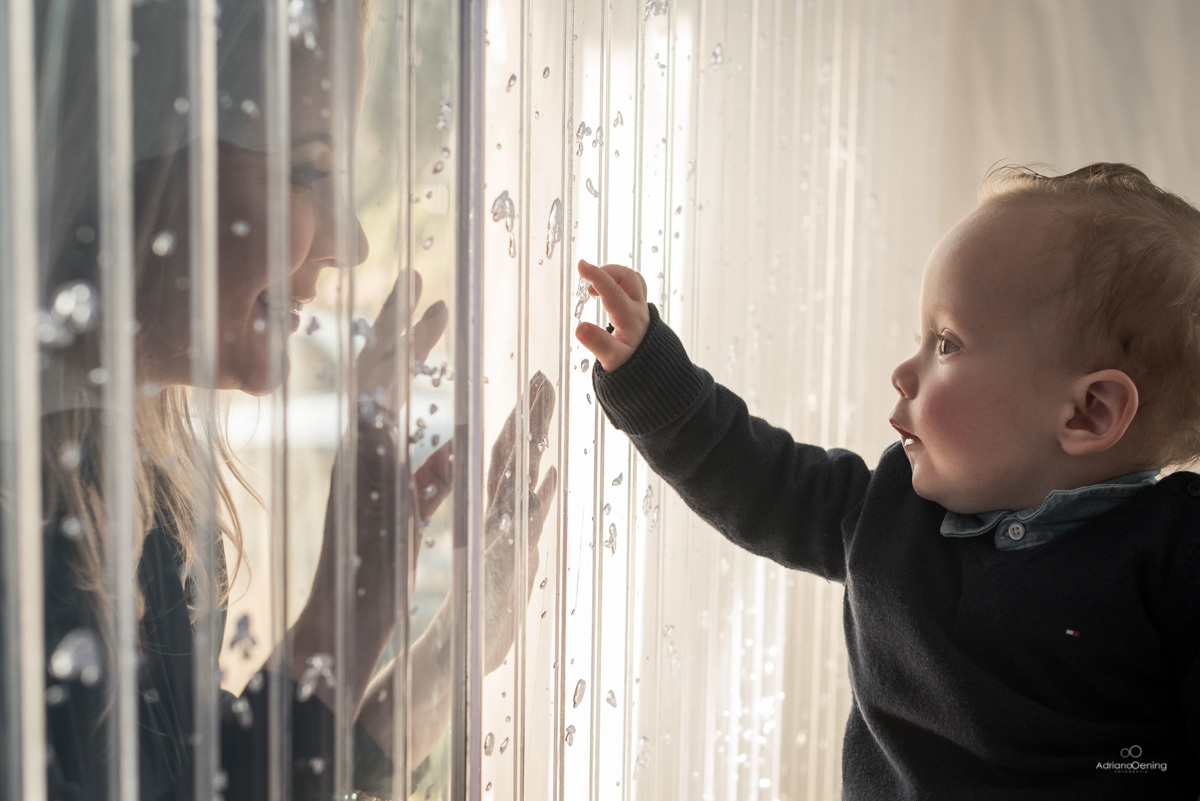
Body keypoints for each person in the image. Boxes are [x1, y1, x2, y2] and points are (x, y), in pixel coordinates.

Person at [26, 1, 556, 799]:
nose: (353, 243)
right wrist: (344, 618)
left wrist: (448, 654)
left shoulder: (140, 499)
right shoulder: (31, 536)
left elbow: (211, 778)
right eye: (308, 170)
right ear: (130, 148)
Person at [575, 162, 1200, 799]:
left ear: (1087, 411)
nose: (905, 370)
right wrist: (649, 371)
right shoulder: (891, 511)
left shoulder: (1175, 562)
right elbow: (759, 478)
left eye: (947, 344)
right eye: (920, 338)